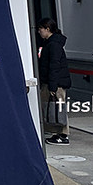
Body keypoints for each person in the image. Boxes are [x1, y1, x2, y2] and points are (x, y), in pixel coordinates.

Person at [37, 17, 71, 145]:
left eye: (41, 29)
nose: (39, 31)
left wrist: (52, 86)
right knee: (54, 108)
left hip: (57, 83)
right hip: (54, 82)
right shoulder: (50, 43)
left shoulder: (54, 44)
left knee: (58, 108)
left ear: (47, 29)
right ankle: (58, 133)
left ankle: (63, 135)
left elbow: (54, 66)